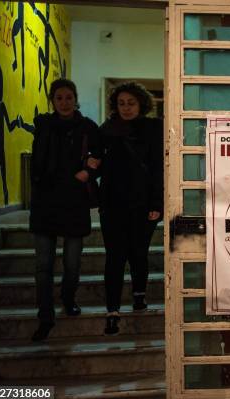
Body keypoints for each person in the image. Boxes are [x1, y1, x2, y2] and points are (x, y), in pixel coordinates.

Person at [29, 78, 100, 342]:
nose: (64, 102)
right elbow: (36, 162)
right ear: (52, 100)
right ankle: (45, 317)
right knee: (43, 266)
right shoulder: (43, 125)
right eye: (59, 97)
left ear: (75, 98)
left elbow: (99, 158)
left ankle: (68, 297)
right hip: (45, 203)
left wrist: (89, 171)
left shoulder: (88, 127)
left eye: (68, 97)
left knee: (72, 264)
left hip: (74, 203)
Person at [97, 82, 163, 336]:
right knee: (114, 257)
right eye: (121, 103)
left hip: (143, 204)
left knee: (138, 253)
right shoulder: (105, 131)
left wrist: (157, 203)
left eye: (131, 103)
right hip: (112, 204)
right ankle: (112, 310)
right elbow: (99, 165)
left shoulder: (153, 129)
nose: (126, 108)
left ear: (141, 104)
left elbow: (158, 168)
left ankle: (139, 295)